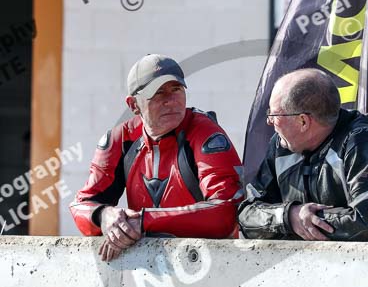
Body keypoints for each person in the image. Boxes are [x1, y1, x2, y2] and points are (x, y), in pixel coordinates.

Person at [71, 54, 243, 262]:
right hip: (145, 268)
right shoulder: (120, 139)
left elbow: (227, 212)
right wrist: (105, 216)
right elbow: (81, 204)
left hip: (209, 266)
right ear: (134, 105)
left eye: (176, 89)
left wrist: (143, 222)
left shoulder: (205, 133)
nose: (170, 101)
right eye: (158, 93)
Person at [239, 68, 368, 242]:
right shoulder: (280, 146)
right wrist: (289, 216)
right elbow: (246, 214)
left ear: (303, 121)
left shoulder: (363, 144)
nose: (269, 121)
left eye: (274, 114)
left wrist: (305, 221)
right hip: (308, 270)